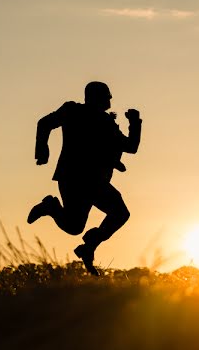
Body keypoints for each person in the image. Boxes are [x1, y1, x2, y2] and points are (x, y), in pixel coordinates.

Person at [27, 81, 142, 275]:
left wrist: (134, 122)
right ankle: (83, 239)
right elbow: (44, 123)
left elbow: (130, 147)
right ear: (95, 97)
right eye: (107, 95)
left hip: (91, 180)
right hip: (78, 178)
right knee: (115, 215)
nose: (110, 99)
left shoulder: (107, 123)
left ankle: (58, 214)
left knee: (76, 226)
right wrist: (42, 149)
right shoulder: (72, 111)